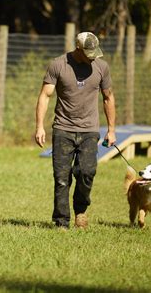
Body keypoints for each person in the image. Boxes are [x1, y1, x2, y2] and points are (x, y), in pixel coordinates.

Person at [34, 32, 116, 230]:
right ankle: (61, 221)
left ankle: (81, 211)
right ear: (78, 48)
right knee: (62, 178)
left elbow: (108, 97)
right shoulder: (58, 65)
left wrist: (111, 130)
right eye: (88, 53)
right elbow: (45, 96)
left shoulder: (101, 67)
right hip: (63, 128)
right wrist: (39, 126)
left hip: (89, 130)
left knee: (87, 172)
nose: (93, 56)